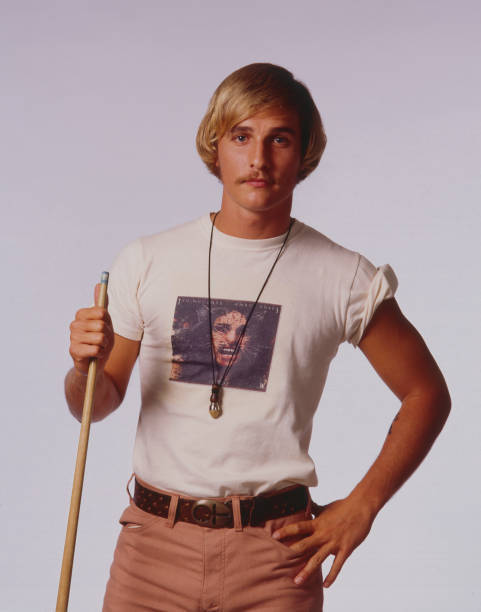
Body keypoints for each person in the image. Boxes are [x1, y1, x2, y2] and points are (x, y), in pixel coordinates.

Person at [65, 63, 451, 611]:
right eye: (242, 136)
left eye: (280, 139)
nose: (259, 159)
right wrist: (85, 366)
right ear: (215, 145)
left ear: (304, 152)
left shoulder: (342, 276)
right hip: (152, 553)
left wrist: (363, 506)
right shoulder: (147, 260)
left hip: (274, 560)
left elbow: (427, 393)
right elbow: (96, 403)